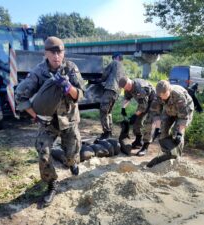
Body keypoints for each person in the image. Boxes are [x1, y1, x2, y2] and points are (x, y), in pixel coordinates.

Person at [15, 36, 85, 207]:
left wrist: (69, 88)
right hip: (49, 123)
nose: (56, 56)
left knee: (72, 155)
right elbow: (20, 96)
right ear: (46, 53)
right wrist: (35, 116)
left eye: (59, 52)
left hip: (69, 120)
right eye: (52, 52)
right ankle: (52, 183)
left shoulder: (71, 69)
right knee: (43, 152)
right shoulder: (38, 72)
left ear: (63, 52)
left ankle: (71, 162)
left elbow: (81, 95)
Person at [147, 80, 194, 166]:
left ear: (169, 90)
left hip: (184, 110)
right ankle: (168, 153)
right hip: (169, 109)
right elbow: (156, 113)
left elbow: (183, 117)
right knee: (162, 131)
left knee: (177, 135)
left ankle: (176, 158)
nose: (162, 98)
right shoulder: (158, 95)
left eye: (164, 95)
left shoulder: (178, 95)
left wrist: (180, 133)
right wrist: (157, 129)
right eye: (160, 96)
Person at [118, 76, 156, 156]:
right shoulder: (127, 88)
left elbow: (143, 106)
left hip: (153, 102)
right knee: (137, 121)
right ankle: (138, 141)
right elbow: (127, 98)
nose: (126, 89)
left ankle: (145, 146)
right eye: (124, 88)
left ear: (129, 83)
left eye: (126, 88)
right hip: (143, 103)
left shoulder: (140, 88)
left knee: (148, 123)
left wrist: (134, 115)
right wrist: (123, 108)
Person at [98, 52, 125, 139]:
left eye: (113, 57)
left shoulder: (114, 63)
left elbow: (105, 74)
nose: (112, 59)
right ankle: (109, 131)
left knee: (103, 111)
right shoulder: (123, 68)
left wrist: (99, 80)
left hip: (110, 89)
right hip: (117, 92)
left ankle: (106, 133)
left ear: (116, 57)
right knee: (108, 111)